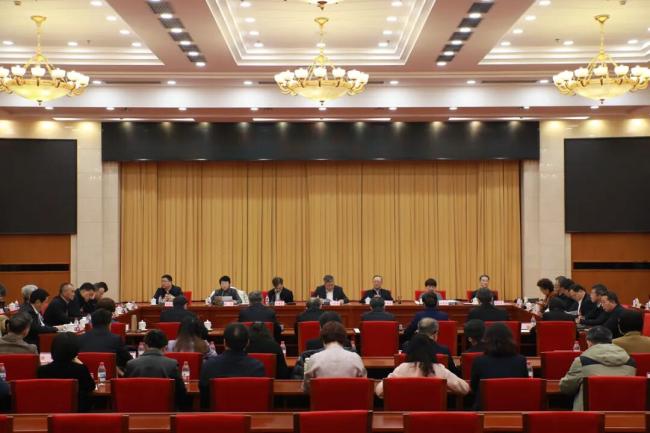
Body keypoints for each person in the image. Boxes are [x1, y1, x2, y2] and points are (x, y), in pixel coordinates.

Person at [559, 326, 636, 411]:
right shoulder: (630, 362)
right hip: (621, 412)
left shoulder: (582, 361)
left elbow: (566, 388)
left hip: (589, 414)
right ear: (610, 340)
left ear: (588, 342)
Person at [375, 333, 469, 398]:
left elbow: (379, 391)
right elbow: (464, 389)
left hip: (404, 415)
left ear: (410, 350)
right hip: (433, 416)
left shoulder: (402, 369)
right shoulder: (439, 369)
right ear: (431, 350)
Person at [200, 323, 265, 408]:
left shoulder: (209, 365)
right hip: (249, 413)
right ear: (248, 343)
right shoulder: (257, 367)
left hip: (217, 414)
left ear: (224, 342)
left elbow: (204, 397)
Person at [470, 323, 528, 410]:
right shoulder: (521, 360)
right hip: (514, 408)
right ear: (510, 340)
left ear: (487, 340)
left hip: (485, 410)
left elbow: (474, 387)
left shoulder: (479, 361)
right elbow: (524, 385)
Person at [125, 329, 187, 409]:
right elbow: (181, 392)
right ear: (165, 347)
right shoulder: (172, 364)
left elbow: (125, 391)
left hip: (136, 410)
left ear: (145, 346)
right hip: (165, 412)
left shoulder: (131, 364)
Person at [37, 333, 95, 412]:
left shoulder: (42, 370)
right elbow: (91, 387)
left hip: (50, 409)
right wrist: (81, 363)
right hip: (76, 411)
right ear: (75, 350)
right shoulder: (80, 369)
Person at [302, 321, 366, 391]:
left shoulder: (314, 358)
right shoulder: (355, 358)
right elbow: (364, 385)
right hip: (349, 397)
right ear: (344, 339)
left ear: (323, 339)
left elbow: (306, 388)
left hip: (323, 397)